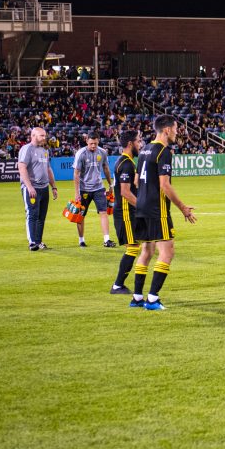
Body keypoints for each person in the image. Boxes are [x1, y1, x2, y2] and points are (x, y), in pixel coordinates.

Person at [132, 115, 197, 310]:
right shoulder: (163, 151)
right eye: (176, 128)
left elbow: (136, 181)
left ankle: (137, 297)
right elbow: (165, 186)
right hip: (156, 209)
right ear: (167, 130)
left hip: (141, 207)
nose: (177, 132)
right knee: (167, 252)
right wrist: (183, 208)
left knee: (147, 250)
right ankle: (152, 299)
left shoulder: (144, 150)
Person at [109, 130, 143, 294]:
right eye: (138, 141)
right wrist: (143, 207)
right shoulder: (127, 164)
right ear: (130, 144)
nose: (140, 144)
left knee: (136, 247)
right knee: (133, 248)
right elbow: (125, 192)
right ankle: (117, 285)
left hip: (127, 211)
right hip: (125, 211)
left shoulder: (123, 161)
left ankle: (119, 285)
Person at [17, 127, 58, 251]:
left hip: (44, 187)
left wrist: (54, 187)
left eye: (45, 135)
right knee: (32, 214)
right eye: (42, 135)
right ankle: (32, 242)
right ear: (33, 136)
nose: (45, 138)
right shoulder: (26, 149)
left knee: (41, 216)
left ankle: (39, 241)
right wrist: (29, 187)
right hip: (32, 188)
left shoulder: (44, 151)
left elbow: (48, 169)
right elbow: (22, 168)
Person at [72, 132, 116, 248]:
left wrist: (111, 185)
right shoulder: (80, 153)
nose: (93, 146)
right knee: (81, 214)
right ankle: (81, 240)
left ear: (98, 141)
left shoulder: (102, 152)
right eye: (91, 143)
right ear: (87, 141)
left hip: (98, 188)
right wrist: (77, 193)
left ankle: (107, 240)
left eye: (95, 144)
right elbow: (76, 173)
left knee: (103, 212)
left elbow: (106, 168)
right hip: (84, 189)